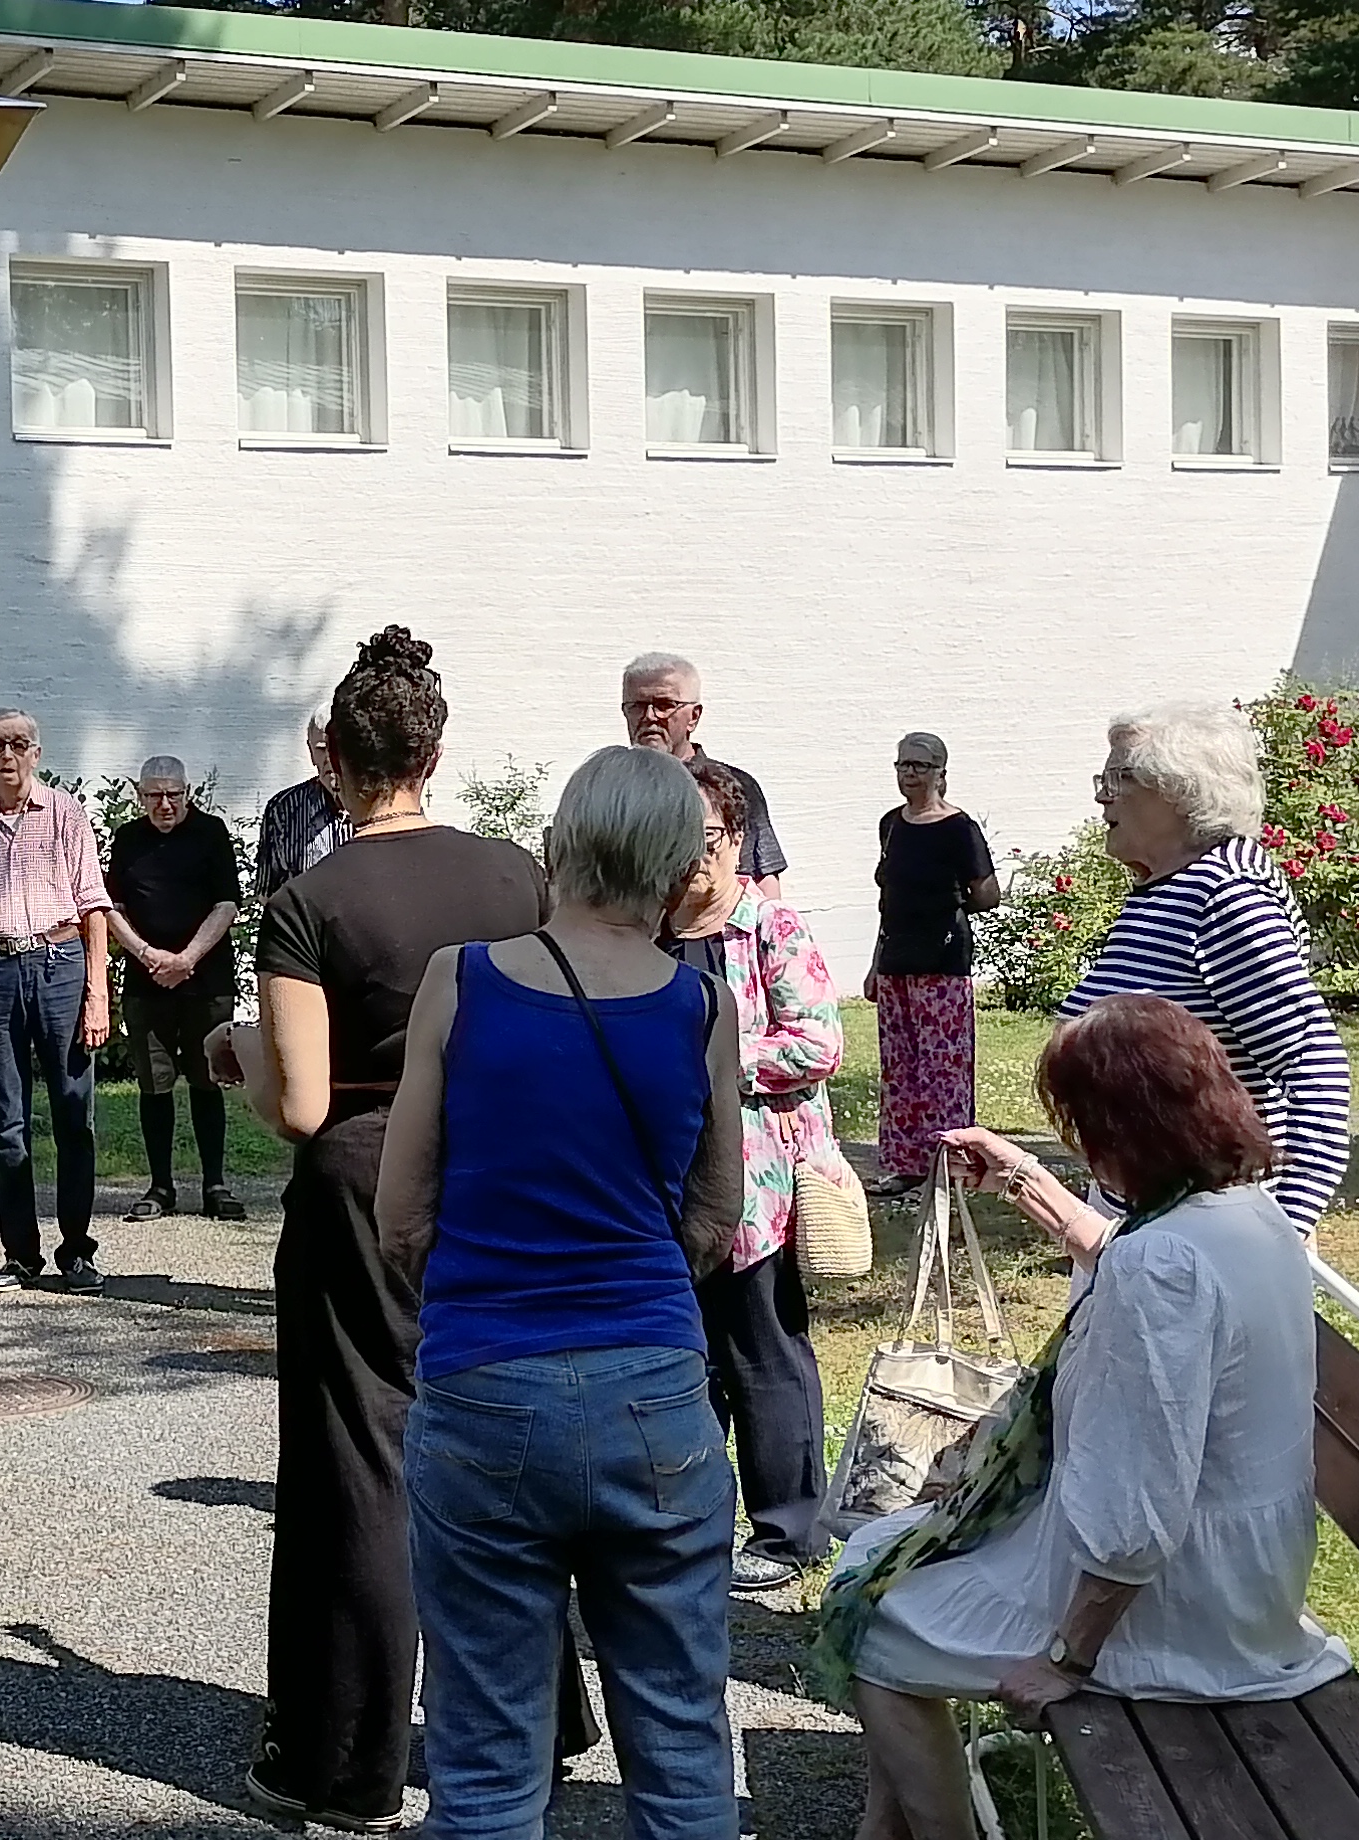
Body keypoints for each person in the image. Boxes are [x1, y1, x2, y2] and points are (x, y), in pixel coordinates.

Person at [816, 996, 1351, 1840]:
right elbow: (1129, 1257)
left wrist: (1066, 1659)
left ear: (1112, 1131)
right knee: (879, 1553)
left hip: (1180, 1614)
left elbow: (1135, 1512)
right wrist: (1024, 1181)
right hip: (1244, 1576)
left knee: (876, 1621)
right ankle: (887, 1831)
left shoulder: (1161, 1267)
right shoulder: (1249, 1214)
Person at [377, 745, 750, 1840]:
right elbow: (715, 1217)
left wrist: (477, 1300)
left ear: (556, 848)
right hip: (655, 1388)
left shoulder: (462, 980)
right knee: (681, 1750)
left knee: (487, 1765)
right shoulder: (702, 1006)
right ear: (679, 868)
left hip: (486, 1377)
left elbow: (401, 1214)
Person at [238, 627, 549, 1831]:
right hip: (501, 1168)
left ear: (334, 758)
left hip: (366, 1178)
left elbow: (299, 1105)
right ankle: (535, 1724)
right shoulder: (514, 878)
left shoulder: (309, 900)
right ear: (435, 748)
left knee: (360, 1460)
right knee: (506, 1437)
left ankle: (348, 1762)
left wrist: (235, 1054)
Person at [1067, 702, 1354, 1232]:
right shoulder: (1167, 889)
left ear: (1179, 790)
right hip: (1156, 1211)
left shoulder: (1226, 896)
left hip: (1213, 1223)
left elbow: (1313, 1066)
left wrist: (1285, 1229)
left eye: (1120, 777)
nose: (1102, 795)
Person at [666, 754, 842, 1596]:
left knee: (764, 1354)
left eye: (708, 837)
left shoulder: (772, 928)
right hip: (664, 1182)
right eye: (678, 837)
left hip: (754, 1183)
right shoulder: (645, 933)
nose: (694, 856)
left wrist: (712, 1064)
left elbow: (817, 1044)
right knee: (685, 1359)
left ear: (738, 839)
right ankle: (695, 1524)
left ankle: (787, 1531)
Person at [0, 707, 117, 1293]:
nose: (8, 755)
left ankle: (77, 1252)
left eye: (19, 744)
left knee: (73, 1114)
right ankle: (19, 1255)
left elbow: (94, 909)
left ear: (36, 754)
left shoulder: (65, 814)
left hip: (60, 964)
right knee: (8, 1123)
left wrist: (97, 995)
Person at [107, 754, 244, 1223]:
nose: (164, 804)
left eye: (173, 794)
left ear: (188, 793)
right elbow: (111, 908)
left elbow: (227, 904)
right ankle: (160, 1186)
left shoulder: (211, 833)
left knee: (208, 1082)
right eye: (154, 795)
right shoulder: (128, 840)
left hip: (206, 982)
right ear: (139, 795)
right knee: (154, 1086)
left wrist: (187, 959)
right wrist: (147, 954)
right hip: (146, 984)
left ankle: (215, 1185)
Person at [867, 733, 1002, 1200]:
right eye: (903, 764)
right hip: (895, 961)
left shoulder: (958, 828)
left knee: (943, 1069)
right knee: (900, 1069)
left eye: (920, 766)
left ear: (941, 772)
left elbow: (987, 893)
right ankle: (904, 1165)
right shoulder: (891, 825)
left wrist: (946, 907)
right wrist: (875, 964)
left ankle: (950, 1165)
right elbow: (888, 900)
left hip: (943, 961)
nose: (910, 773)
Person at [618, 653, 787, 898]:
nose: (649, 716)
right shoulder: (608, 790)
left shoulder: (734, 787)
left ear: (694, 717)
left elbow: (763, 882)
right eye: (637, 706)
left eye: (664, 705)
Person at [252, 705, 349, 904]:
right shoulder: (283, 809)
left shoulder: (384, 804)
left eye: (338, 747)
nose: (329, 758)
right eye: (321, 749)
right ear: (310, 751)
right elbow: (268, 894)